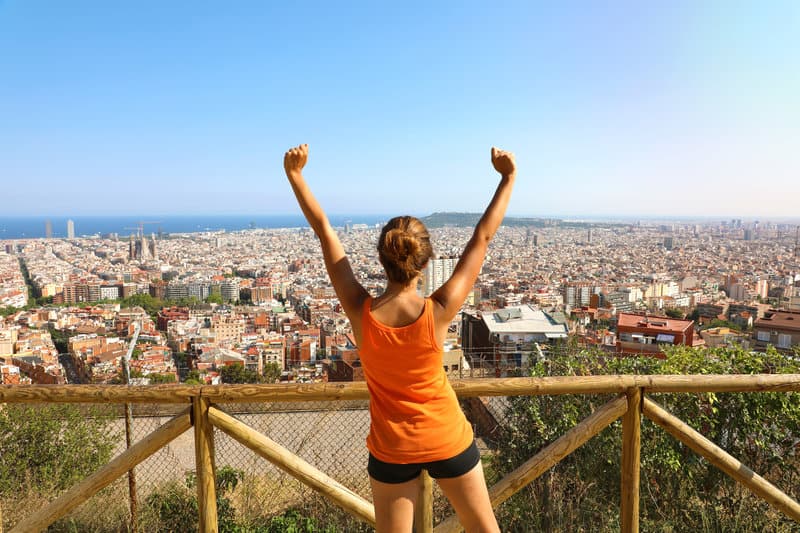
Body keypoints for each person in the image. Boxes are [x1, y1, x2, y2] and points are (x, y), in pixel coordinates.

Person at [284, 143, 515, 533]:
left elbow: (325, 233)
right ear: (425, 262)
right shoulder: (437, 311)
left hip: (392, 448)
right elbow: (482, 238)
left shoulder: (361, 312)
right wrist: (508, 178)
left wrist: (295, 175)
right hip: (446, 435)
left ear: (382, 259)